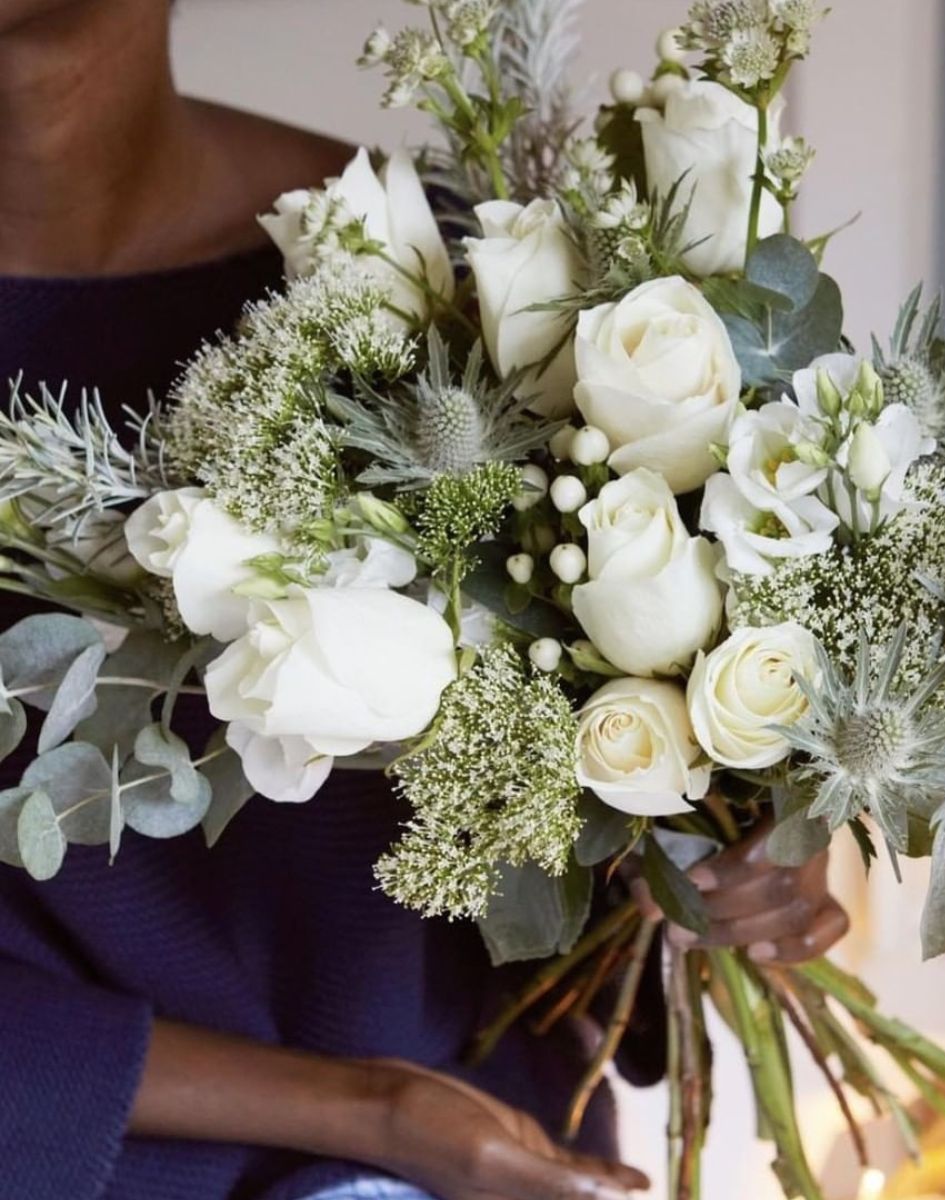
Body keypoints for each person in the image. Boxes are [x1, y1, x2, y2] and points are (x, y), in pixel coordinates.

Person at [0, 2, 850, 1199]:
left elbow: (587, 832)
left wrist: (724, 848)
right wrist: (376, 1115)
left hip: (497, 1152)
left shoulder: (440, 264)